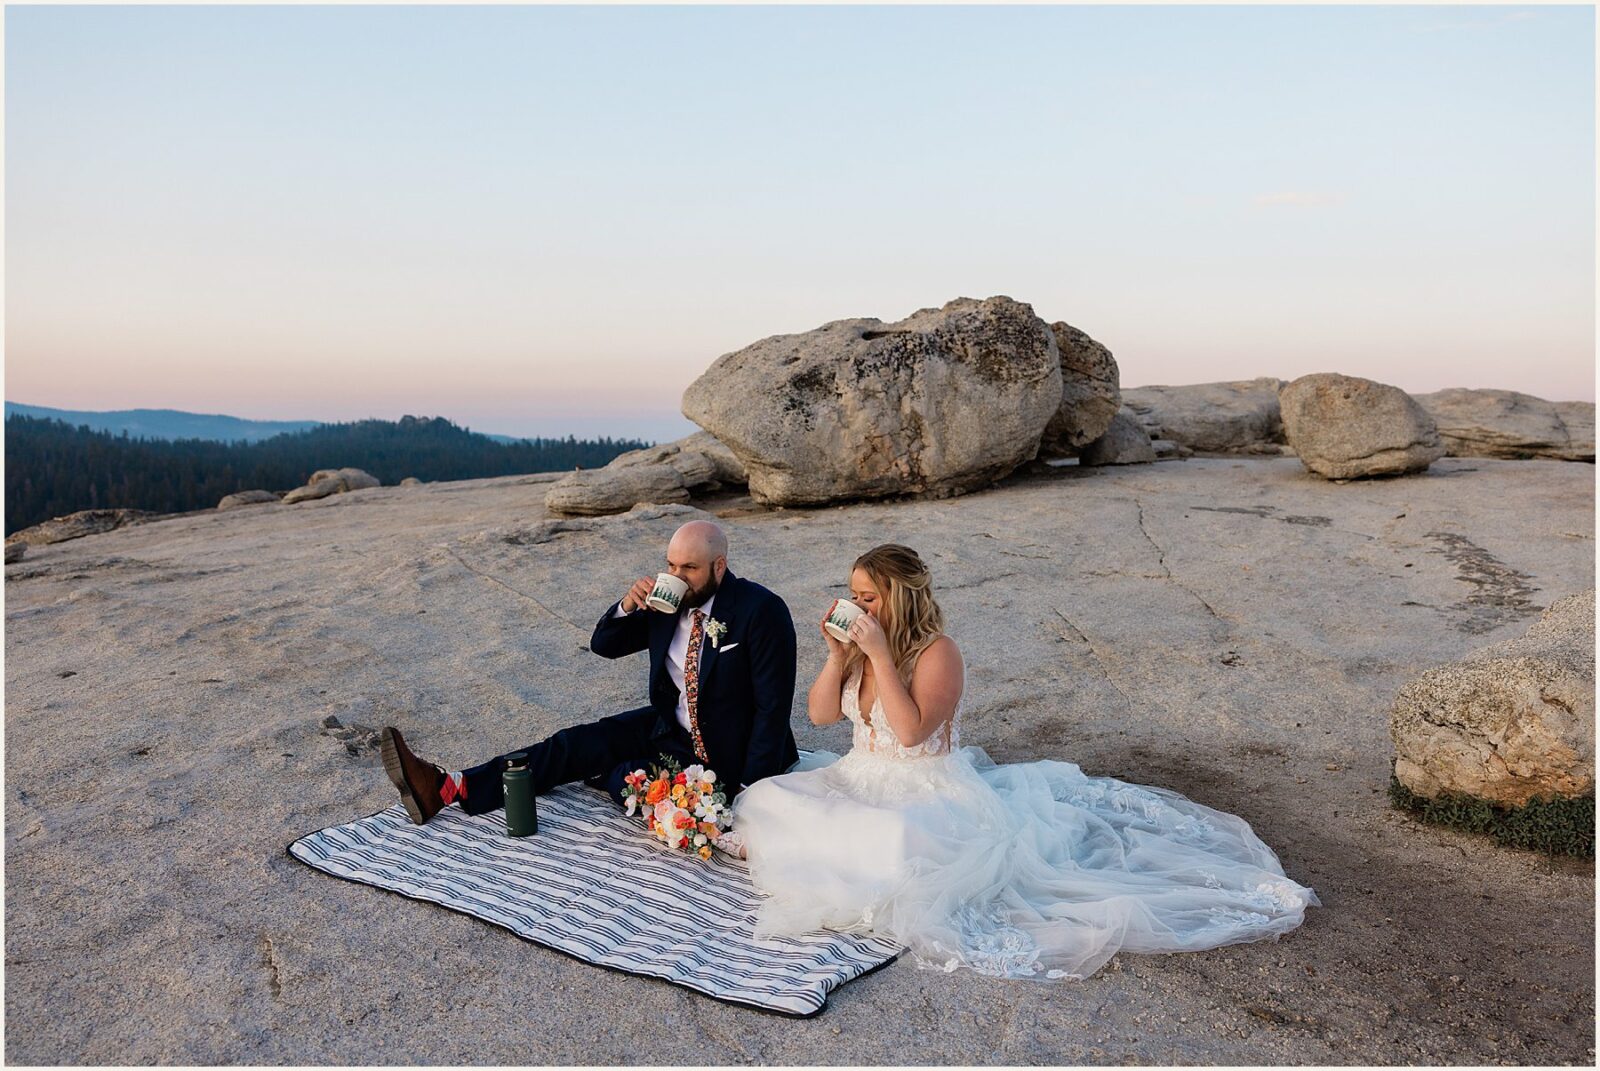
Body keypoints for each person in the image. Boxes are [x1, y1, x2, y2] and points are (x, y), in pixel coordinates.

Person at [729, 543, 1319, 981]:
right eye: (852, 596)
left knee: (893, 841)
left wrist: (880, 654)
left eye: (866, 598)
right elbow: (823, 716)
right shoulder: (858, 646)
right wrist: (837, 656)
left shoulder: (939, 654)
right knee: (771, 798)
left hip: (925, 789)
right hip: (859, 773)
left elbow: (910, 736)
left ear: (899, 598)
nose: (855, 607)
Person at [380, 520, 799, 825]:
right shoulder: (665, 599)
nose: (676, 577)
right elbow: (605, 646)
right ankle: (449, 787)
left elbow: (772, 709)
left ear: (719, 567)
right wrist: (627, 606)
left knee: (627, 778)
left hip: (727, 751)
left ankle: (612, 772)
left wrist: (750, 790)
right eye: (671, 565)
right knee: (573, 743)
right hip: (668, 727)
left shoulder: (761, 612)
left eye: (688, 568)